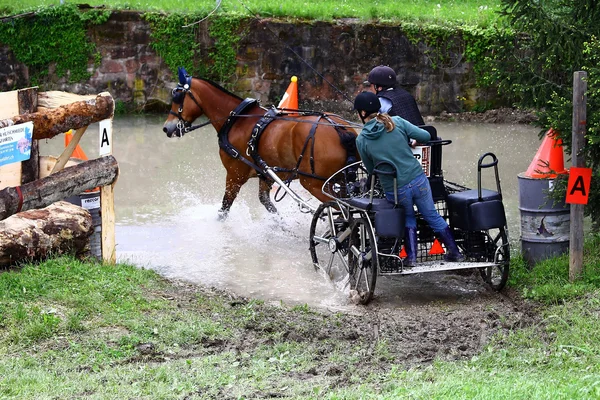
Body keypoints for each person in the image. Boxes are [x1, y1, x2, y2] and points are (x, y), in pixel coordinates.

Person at [353, 91, 463, 267]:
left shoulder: (362, 140)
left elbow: (372, 170)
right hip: (418, 178)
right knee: (432, 215)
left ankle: (411, 258)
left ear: (362, 113)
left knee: (408, 218)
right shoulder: (396, 121)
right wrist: (410, 141)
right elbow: (426, 136)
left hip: (396, 188)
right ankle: (455, 252)